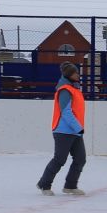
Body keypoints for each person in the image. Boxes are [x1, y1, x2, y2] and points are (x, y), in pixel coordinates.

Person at [38, 62, 88, 195]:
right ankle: (44, 184)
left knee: (80, 159)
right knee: (59, 159)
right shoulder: (65, 90)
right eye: (75, 72)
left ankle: (70, 186)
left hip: (75, 131)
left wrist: (78, 129)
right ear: (69, 75)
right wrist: (78, 128)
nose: (78, 74)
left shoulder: (75, 89)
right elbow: (66, 112)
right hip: (63, 131)